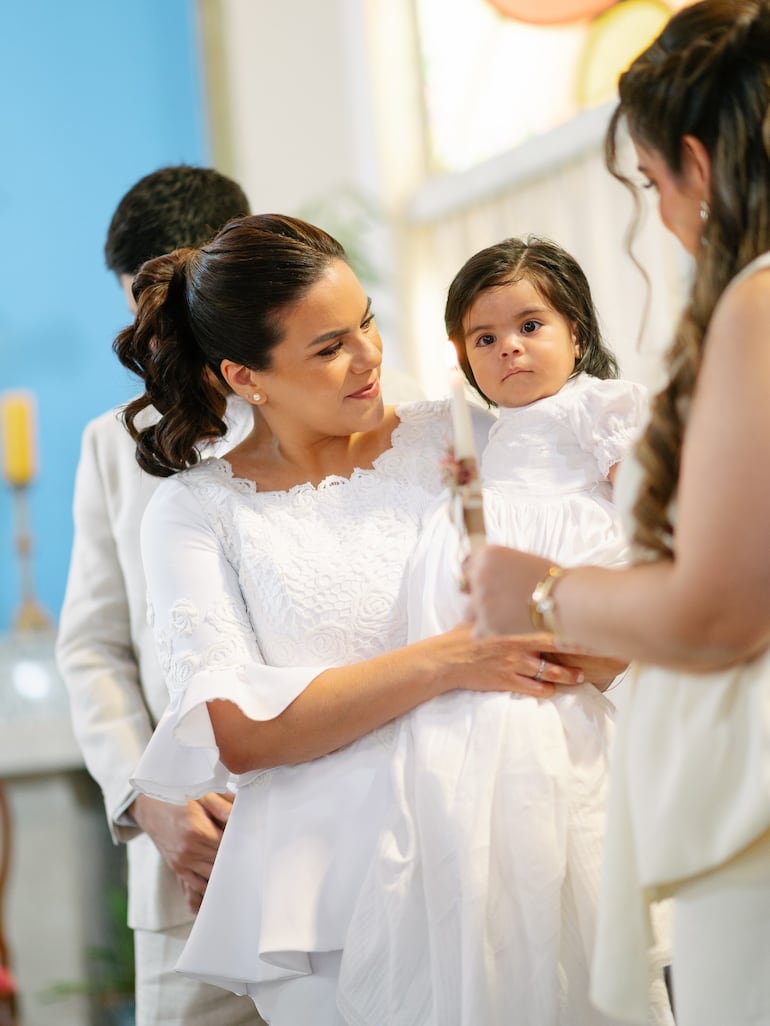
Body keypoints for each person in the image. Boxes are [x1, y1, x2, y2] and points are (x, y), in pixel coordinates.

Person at [112, 212, 599, 1026]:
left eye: (366, 322)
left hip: (513, 850)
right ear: (245, 376)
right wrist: (455, 659)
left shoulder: (467, 436)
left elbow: (590, 602)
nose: (370, 355)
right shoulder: (195, 512)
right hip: (324, 894)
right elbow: (243, 733)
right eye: (329, 347)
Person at [464, 4, 770, 1025]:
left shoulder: (757, 301)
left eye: (649, 182)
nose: (661, 214)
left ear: (696, 163)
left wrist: (542, 593)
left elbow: (718, 612)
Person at [339, 236, 673, 1026]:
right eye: (484, 338)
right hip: (471, 679)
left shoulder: (598, 406)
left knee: (564, 828)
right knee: (480, 847)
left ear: (576, 334)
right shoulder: (475, 438)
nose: (508, 349)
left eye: (530, 326)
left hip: (565, 613)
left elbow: (652, 521)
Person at [56, 164, 264, 1026]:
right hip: (185, 867)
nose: (150, 331)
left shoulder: (321, 404)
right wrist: (149, 798)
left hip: (335, 835)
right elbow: (93, 646)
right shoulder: (114, 443)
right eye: (134, 306)